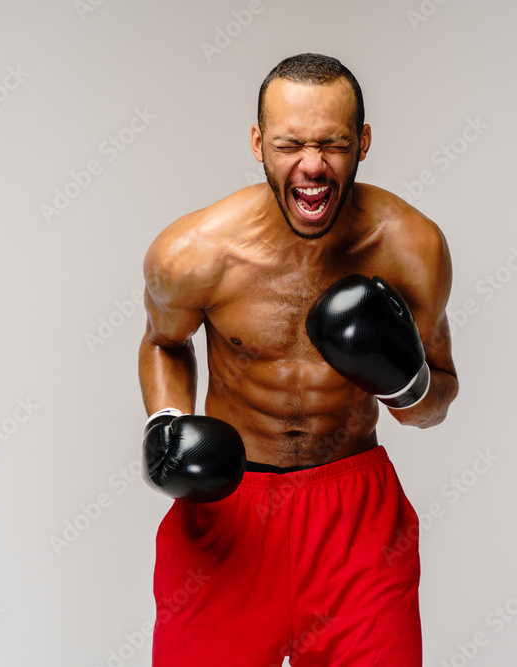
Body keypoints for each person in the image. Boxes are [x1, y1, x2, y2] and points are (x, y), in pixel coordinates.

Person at [138, 52, 458, 666]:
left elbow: (434, 403)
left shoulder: (410, 246)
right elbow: (163, 343)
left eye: (332, 143)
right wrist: (164, 424)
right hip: (228, 516)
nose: (311, 166)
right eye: (289, 144)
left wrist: (407, 385)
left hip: (354, 522)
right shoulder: (192, 253)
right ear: (258, 142)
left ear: (362, 141)